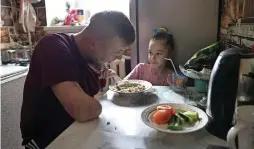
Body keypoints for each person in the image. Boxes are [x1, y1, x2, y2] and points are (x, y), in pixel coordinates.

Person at [20, 11, 135, 149]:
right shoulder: (53, 46)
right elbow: (83, 109)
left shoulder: (91, 61)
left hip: (75, 130)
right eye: (117, 51)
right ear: (93, 44)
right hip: (45, 140)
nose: (119, 58)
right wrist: (100, 102)